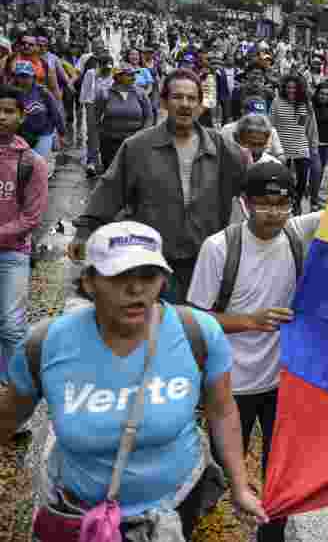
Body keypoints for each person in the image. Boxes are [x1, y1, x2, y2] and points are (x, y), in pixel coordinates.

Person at [1, 221, 267, 538]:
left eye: (147, 276)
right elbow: (8, 417)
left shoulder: (197, 332)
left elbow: (222, 411)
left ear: (162, 280)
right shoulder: (45, 344)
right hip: (77, 511)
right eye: (119, 276)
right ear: (89, 282)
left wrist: (239, 486)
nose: (136, 289)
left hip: (175, 506)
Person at [187, 162, 322, 542]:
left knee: (279, 471)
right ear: (245, 204)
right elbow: (196, 319)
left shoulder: (296, 235)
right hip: (230, 385)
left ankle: (272, 533)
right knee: (219, 473)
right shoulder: (219, 248)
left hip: (282, 381)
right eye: (264, 205)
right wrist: (250, 321)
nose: (275, 214)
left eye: (283, 205)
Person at [70, 69, 248, 301]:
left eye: (192, 98)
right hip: (154, 259)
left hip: (205, 259)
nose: (185, 104)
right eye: (177, 97)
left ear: (200, 104)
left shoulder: (221, 146)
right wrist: (84, 232)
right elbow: (110, 190)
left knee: (199, 327)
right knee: (158, 326)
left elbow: (252, 186)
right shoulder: (138, 147)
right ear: (164, 101)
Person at [0, 86, 47, 434]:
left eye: (8, 111)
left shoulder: (31, 162)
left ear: (20, 116)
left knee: (12, 327)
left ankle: (15, 402)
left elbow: (31, 218)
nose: (2, 116)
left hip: (13, 254)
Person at [270, 75, 318, 216]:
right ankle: (284, 200)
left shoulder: (305, 104)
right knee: (283, 179)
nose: (291, 90)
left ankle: (296, 201)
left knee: (302, 179)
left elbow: (310, 127)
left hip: (301, 146)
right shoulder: (277, 102)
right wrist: (270, 147)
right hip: (281, 147)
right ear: (284, 88)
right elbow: (271, 125)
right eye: (288, 87)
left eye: (294, 88)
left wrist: (313, 147)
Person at [95, 67, 154, 174]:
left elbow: (149, 117)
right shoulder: (105, 93)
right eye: (129, 75)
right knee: (111, 174)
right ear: (118, 77)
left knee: (133, 173)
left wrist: (143, 134)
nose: (133, 77)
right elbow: (96, 117)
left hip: (134, 142)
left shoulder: (140, 93)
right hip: (110, 142)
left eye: (133, 75)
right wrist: (99, 137)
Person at [11, 59, 65, 163]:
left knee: (38, 163)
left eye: (26, 76)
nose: (23, 79)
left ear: (33, 77)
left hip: (44, 132)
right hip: (21, 134)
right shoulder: (13, 93)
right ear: (16, 77)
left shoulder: (43, 92)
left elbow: (55, 113)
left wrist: (61, 133)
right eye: (20, 76)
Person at [310, 86, 328, 211]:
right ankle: (314, 199)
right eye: (321, 94)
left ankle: (314, 192)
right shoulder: (310, 107)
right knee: (316, 170)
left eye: (326, 94)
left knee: (321, 171)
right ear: (317, 94)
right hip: (313, 144)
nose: (323, 96)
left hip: (327, 144)